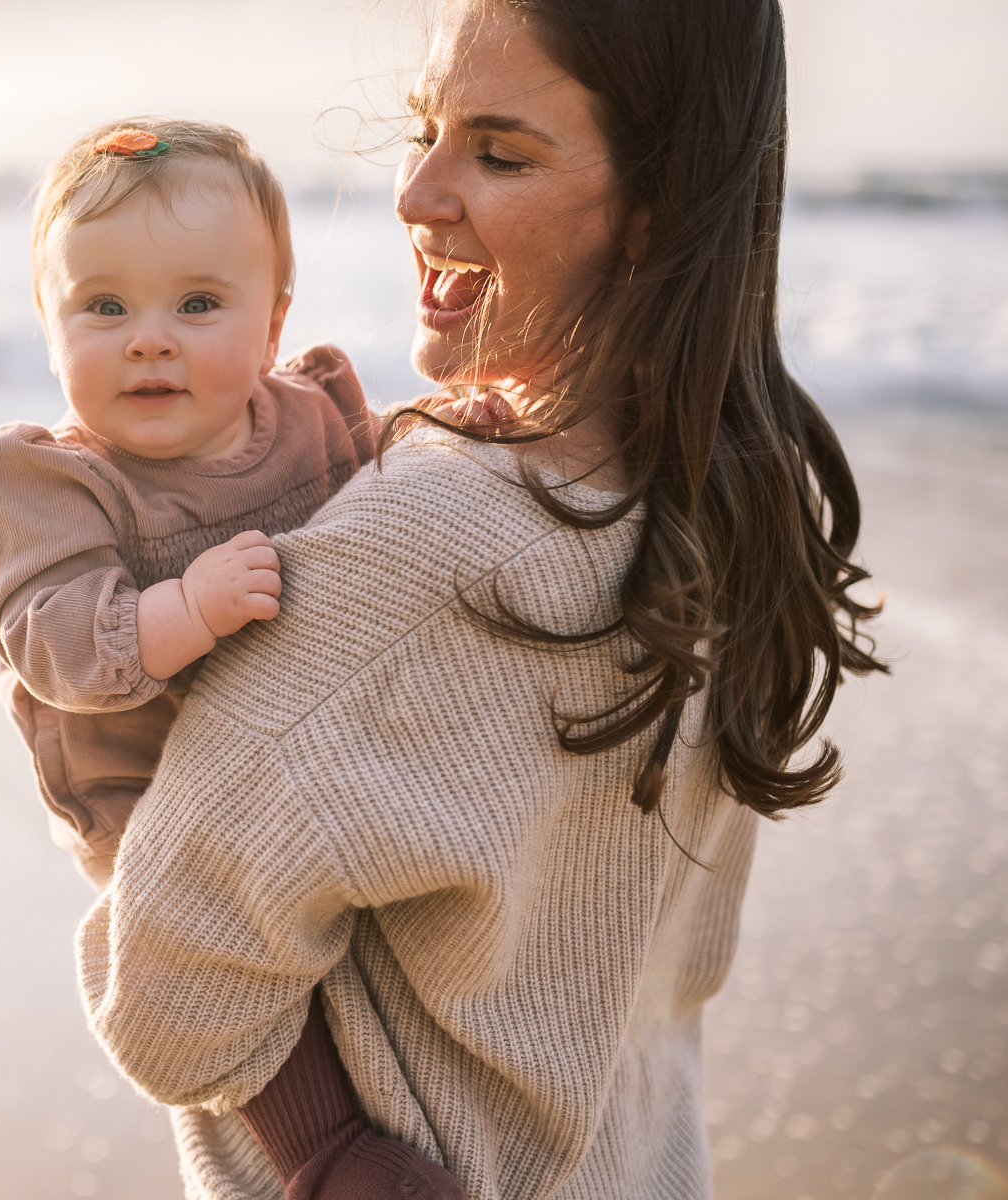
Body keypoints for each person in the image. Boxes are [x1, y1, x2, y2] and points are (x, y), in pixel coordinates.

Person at [75, 2, 886, 1198]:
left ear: (656, 215)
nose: (413, 194)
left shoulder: (422, 549)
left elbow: (165, 1000)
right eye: (425, 128)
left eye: (499, 154)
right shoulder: (734, 499)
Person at [0, 120, 475, 1196]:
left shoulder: (314, 411)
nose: (147, 339)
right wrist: (175, 613)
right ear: (47, 323)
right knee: (219, 974)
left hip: (322, 754)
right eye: (101, 307)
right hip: (147, 792)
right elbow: (45, 634)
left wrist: (459, 435)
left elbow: (405, 486)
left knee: (374, 928)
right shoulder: (54, 482)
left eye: (197, 305)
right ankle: (320, 1150)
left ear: (271, 322)